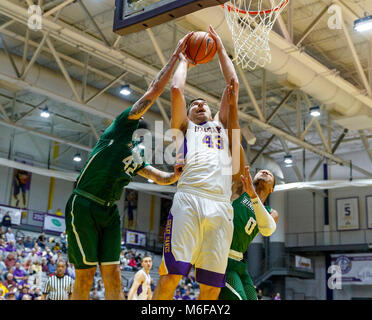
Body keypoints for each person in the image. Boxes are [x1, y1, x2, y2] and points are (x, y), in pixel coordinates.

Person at [64, 33, 193, 300]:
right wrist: (175, 59)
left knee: (112, 274)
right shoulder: (121, 127)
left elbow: (159, 178)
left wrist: (176, 175)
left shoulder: (136, 158)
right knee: (85, 275)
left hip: (109, 213)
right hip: (85, 204)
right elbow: (153, 91)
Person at [153, 26, 240, 300]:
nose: (200, 105)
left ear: (213, 111)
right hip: (189, 199)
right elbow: (177, 89)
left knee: (212, 288)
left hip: (221, 207)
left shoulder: (222, 126)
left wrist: (221, 50)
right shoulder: (183, 127)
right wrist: (184, 59)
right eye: (195, 104)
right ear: (189, 113)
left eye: (204, 103)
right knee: (171, 277)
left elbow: (232, 85)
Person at [218, 165, 278, 300]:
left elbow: (267, 230)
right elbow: (235, 155)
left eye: (269, 174)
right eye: (262, 171)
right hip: (221, 257)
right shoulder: (238, 191)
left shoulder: (271, 213)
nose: (265, 171)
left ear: (272, 189)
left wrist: (253, 197)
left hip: (239, 262)